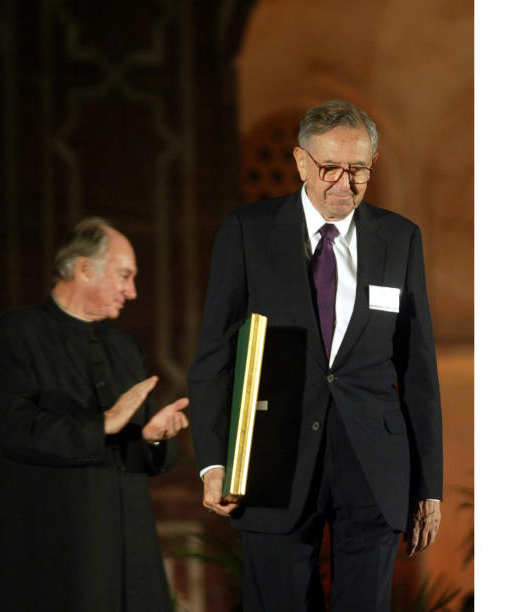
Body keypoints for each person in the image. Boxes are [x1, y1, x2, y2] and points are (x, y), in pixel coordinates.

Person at [188, 100, 443, 611]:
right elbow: (215, 352)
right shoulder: (249, 231)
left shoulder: (399, 239)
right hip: (270, 463)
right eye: (329, 168)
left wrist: (428, 486)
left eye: (358, 170)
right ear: (301, 162)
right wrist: (214, 460)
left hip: (373, 464)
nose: (343, 184)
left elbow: (417, 370)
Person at [0, 217, 189, 612]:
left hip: (129, 548)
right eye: (124, 276)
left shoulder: (123, 348)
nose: (132, 292)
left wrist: (152, 437)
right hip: (58, 549)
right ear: (84, 269)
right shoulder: (15, 333)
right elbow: (10, 429)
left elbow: (131, 458)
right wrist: (103, 424)